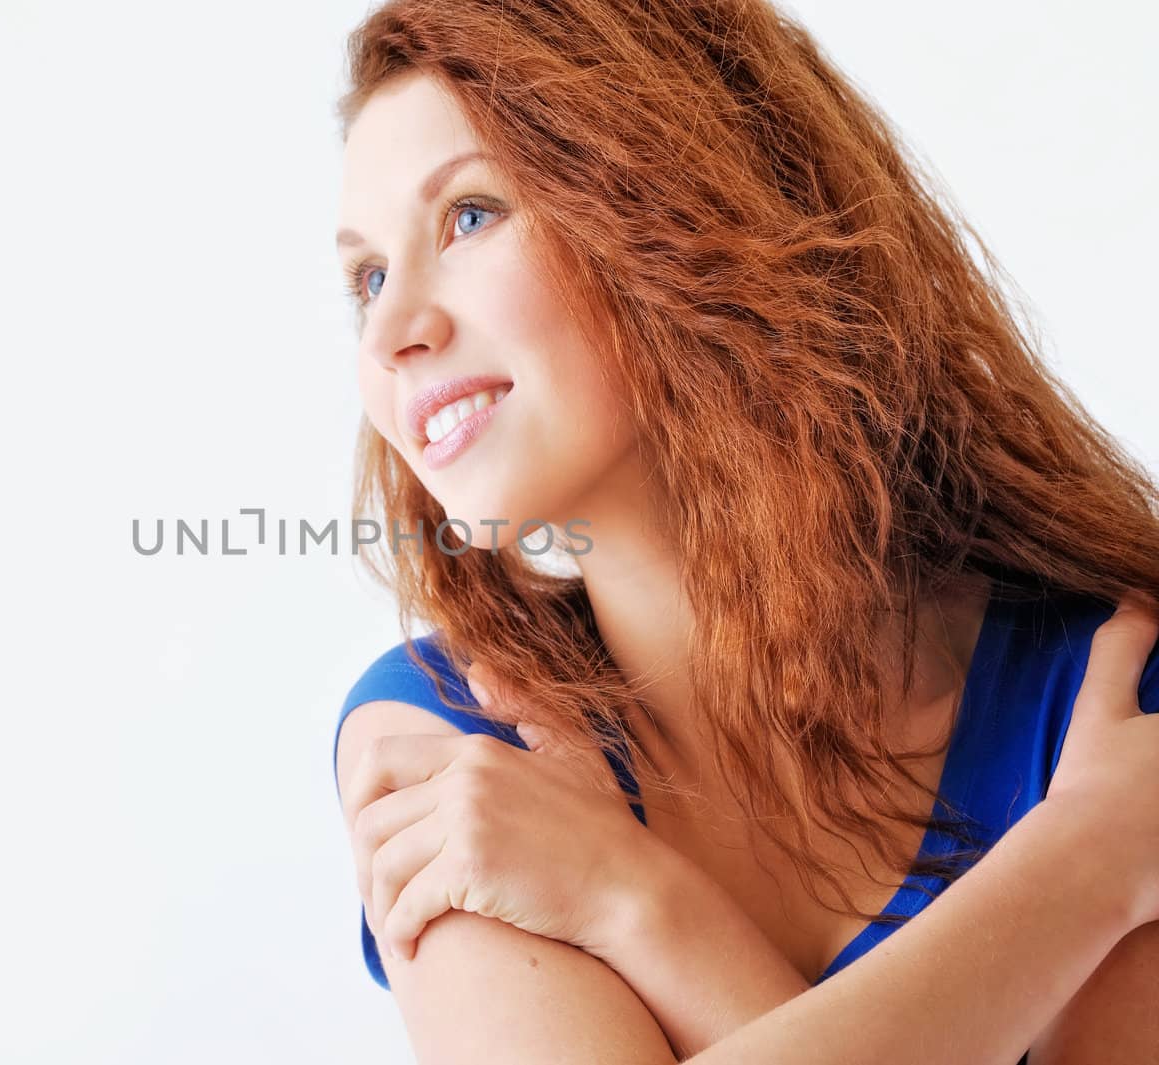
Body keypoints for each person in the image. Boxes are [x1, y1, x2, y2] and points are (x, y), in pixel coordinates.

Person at [326, 1, 1159, 1062]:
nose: (395, 332)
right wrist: (1085, 867)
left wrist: (631, 907)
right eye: (367, 278)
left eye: (470, 216)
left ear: (676, 201)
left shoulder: (1111, 700)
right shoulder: (453, 750)